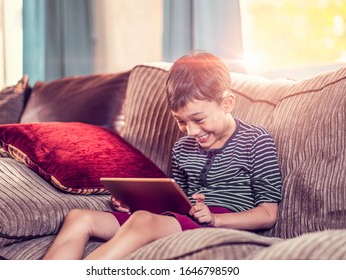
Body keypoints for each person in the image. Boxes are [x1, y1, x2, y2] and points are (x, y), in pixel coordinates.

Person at [43, 51, 282, 260]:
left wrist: (216, 220)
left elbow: (268, 214)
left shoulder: (255, 140)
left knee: (142, 221)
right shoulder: (182, 148)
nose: (192, 131)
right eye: (181, 121)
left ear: (227, 103)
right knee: (79, 217)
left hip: (224, 222)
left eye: (199, 119)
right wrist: (135, 203)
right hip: (184, 220)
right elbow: (177, 205)